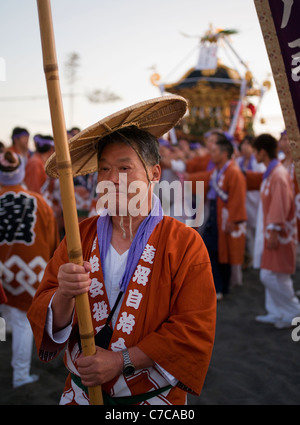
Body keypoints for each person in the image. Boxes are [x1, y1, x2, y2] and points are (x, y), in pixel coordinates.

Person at [27, 96, 216, 406]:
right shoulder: (79, 236)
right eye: (104, 169)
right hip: (81, 394)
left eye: (125, 168)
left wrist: (120, 360)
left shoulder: (184, 243)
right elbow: (46, 311)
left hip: (152, 399)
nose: (112, 179)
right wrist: (63, 294)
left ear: (155, 174)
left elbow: (193, 328)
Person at [0, 150, 59, 388]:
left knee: (9, 318)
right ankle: (21, 376)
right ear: (22, 171)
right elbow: (54, 245)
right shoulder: (41, 204)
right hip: (26, 275)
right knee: (22, 321)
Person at [186, 132, 247, 299]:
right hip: (216, 214)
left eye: (214, 152)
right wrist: (187, 179)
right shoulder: (219, 171)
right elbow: (203, 178)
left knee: (218, 253)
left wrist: (233, 220)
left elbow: (237, 197)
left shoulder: (233, 172)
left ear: (224, 153)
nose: (211, 155)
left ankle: (220, 288)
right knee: (214, 251)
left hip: (225, 217)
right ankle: (220, 287)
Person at [253, 133, 300, 329]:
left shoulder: (278, 174)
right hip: (273, 230)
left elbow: (280, 204)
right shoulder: (274, 171)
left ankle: (293, 311)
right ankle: (276, 311)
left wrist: (273, 230)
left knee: (274, 275)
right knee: (272, 273)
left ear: (262, 152)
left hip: (280, 233)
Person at [236, 135, 266, 267]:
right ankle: (253, 258)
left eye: (248, 144)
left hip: (256, 199)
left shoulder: (258, 162)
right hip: (244, 200)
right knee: (247, 231)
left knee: (257, 229)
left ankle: (259, 257)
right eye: (244, 144)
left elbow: (261, 180)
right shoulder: (239, 161)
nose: (245, 146)